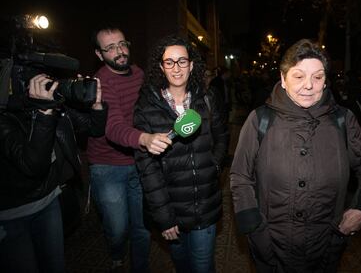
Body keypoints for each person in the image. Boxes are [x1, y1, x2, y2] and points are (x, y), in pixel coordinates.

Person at [230, 39, 361, 273]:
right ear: (283, 80)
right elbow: (240, 176)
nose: (309, 85)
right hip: (271, 250)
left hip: (325, 250)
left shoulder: (343, 120)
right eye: (299, 76)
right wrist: (254, 227)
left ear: (325, 82)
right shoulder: (259, 120)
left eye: (318, 77)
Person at [133, 34, 229, 273]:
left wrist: (214, 166)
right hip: (172, 207)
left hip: (205, 205)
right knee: (182, 265)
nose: (176, 68)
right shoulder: (146, 107)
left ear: (192, 65)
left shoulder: (207, 100)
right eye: (169, 62)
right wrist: (164, 216)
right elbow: (147, 167)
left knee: (203, 266)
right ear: (161, 67)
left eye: (182, 61)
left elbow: (222, 137)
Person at [0, 74, 107, 273]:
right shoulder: (6, 115)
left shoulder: (56, 106)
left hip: (49, 200)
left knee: (55, 266)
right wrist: (43, 112)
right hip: (11, 216)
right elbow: (33, 165)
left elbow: (94, 129)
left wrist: (97, 104)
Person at [87, 24, 171, 272]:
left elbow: (150, 108)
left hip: (138, 161)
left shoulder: (138, 73)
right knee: (118, 228)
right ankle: (115, 251)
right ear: (99, 55)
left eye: (122, 44)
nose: (119, 51)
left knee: (142, 226)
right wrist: (145, 139)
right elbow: (112, 128)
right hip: (107, 167)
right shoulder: (100, 82)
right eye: (110, 48)